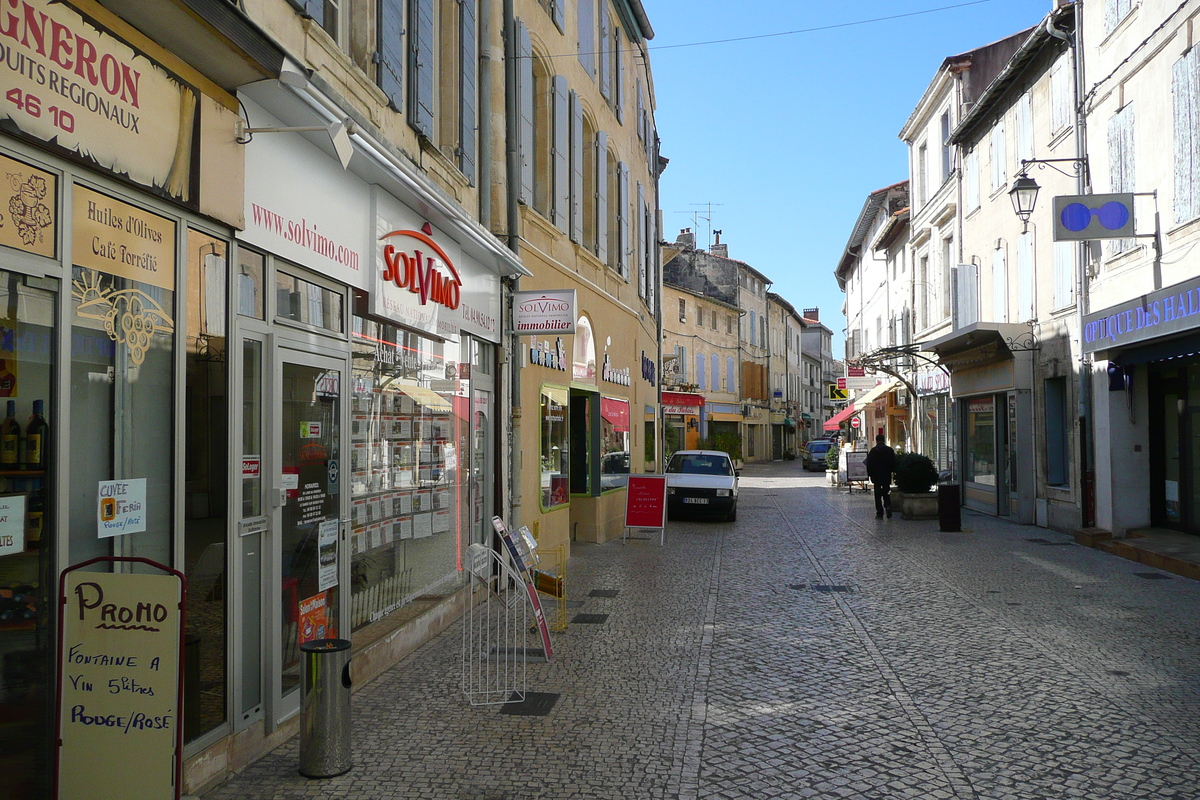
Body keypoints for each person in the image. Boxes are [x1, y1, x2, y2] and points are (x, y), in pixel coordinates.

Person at [864, 434, 896, 518]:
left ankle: (880, 513)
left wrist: (870, 474)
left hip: (876, 476)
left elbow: (869, 464)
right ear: (884, 440)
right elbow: (893, 463)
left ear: (876, 440)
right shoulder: (890, 450)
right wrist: (891, 471)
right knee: (886, 492)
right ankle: (888, 506)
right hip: (886, 475)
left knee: (877, 495)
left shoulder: (874, 451)